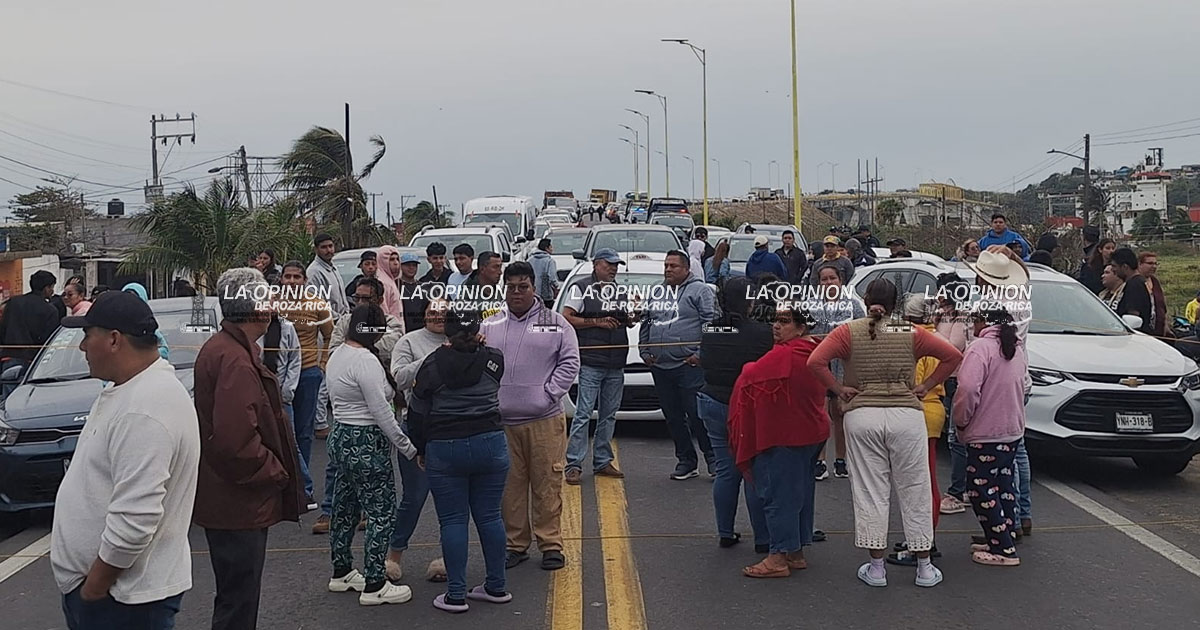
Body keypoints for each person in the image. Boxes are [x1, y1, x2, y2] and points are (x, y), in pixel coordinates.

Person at [51, 291, 199, 630]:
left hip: (123, 601)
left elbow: (136, 518)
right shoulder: (132, 389)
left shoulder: (145, 407)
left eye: (88, 335)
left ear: (114, 339)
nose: (82, 347)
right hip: (115, 598)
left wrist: (95, 586)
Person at [808, 278, 961, 588]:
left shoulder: (848, 331)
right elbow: (953, 356)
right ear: (896, 303)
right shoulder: (910, 331)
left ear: (865, 300)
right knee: (915, 487)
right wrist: (926, 385)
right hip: (907, 415)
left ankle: (876, 567)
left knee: (870, 490)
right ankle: (924, 566)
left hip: (862, 414)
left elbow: (815, 361)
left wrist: (838, 388)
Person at [193, 268, 303, 630]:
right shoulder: (234, 358)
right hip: (237, 502)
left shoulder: (230, 349)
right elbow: (235, 441)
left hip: (231, 500)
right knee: (238, 601)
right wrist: (275, 471)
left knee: (236, 597)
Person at [408, 309, 511, 613]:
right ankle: (496, 586)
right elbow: (490, 372)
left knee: (453, 520)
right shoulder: (494, 359)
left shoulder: (431, 365)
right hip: (490, 442)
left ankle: (455, 595)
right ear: (479, 330)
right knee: (490, 517)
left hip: (445, 446)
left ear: (446, 332)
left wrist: (421, 448)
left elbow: (417, 413)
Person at [482, 262, 580, 571]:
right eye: (510, 287)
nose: (516, 293)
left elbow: (570, 362)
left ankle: (550, 545)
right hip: (502, 424)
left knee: (546, 484)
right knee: (510, 489)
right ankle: (515, 545)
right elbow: (480, 364)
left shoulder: (555, 323)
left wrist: (548, 394)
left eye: (522, 287)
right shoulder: (490, 324)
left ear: (533, 288)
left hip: (544, 420)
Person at [325, 303, 416, 605]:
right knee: (381, 511)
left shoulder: (337, 354)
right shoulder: (366, 361)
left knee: (344, 507)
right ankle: (375, 582)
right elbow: (382, 412)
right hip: (365, 440)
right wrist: (408, 448)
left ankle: (341, 570)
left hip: (341, 434)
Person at [729, 305, 829, 578]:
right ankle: (795, 552)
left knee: (779, 496)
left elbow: (749, 374)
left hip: (786, 435)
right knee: (801, 494)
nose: (776, 326)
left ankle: (777, 558)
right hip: (812, 432)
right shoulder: (815, 351)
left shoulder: (785, 354)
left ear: (801, 327)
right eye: (775, 320)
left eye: (784, 322)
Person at [697, 276, 772, 551]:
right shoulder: (763, 333)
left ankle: (725, 532)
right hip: (748, 405)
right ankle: (763, 538)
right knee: (753, 470)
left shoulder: (711, 330)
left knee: (726, 470)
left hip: (713, 400)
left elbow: (705, 362)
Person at [964, 246, 1034, 537]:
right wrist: (1013, 258)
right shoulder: (1019, 298)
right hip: (1019, 378)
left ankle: (1006, 522)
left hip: (995, 381)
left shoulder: (992, 306)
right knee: (1016, 451)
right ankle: (1020, 515)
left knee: (998, 458)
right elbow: (1026, 279)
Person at [954, 308, 1027, 567]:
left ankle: (1003, 549)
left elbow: (967, 389)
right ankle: (1003, 535)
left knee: (980, 489)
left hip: (985, 431)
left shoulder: (980, 348)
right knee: (1003, 485)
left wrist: (961, 420)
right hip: (1011, 429)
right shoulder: (1015, 348)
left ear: (983, 322)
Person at [641, 250, 719, 479]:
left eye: (673, 266)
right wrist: (645, 350)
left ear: (686, 269)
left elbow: (712, 323)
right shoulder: (656, 291)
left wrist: (700, 354)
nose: (668, 269)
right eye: (666, 265)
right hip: (660, 366)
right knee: (673, 417)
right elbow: (646, 321)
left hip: (689, 366)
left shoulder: (700, 291)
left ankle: (713, 459)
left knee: (696, 415)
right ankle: (686, 461)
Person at [387, 299, 449, 583]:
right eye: (432, 312)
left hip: (450, 429)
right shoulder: (408, 341)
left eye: (443, 312)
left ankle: (447, 558)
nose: (437, 316)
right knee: (413, 498)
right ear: (423, 315)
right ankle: (393, 557)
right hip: (416, 427)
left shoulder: (459, 339)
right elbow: (399, 379)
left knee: (449, 500)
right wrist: (433, 358)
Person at [562, 249, 632, 485]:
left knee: (609, 415)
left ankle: (602, 460)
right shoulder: (580, 287)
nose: (613, 269)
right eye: (609, 264)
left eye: (616, 265)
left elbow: (622, 320)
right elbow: (567, 316)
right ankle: (573, 464)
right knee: (583, 414)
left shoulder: (620, 291)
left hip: (616, 361)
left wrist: (631, 317)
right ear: (596, 265)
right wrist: (597, 322)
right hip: (592, 361)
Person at [888, 294, 947, 567]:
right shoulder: (937, 338)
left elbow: (913, 383)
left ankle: (923, 541)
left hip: (919, 413)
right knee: (927, 480)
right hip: (934, 410)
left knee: (919, 484)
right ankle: (922, 536)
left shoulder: (916, 342)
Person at [278, 262, 335, 531]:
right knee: (285, 431)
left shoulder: (316, 304)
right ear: (281, 279)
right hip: (280, 374)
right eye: (287, 277)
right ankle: (296, 483)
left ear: (304, 280)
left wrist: (322, 366)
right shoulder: (274, 304)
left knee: (304, 431)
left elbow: (330, 336)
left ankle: (302, 483)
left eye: (296, 277)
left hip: (308, 371)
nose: (291, 281)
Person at [810, 265, 865, 481]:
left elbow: (863, 332)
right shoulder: (810, 305)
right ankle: (820, 460)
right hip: (820, 367)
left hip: (844, 367)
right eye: (824, 279)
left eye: (832, 278)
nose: (828, 283)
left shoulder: (854, 306)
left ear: (840, 281)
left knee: (840, 414)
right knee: (820, 415)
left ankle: (841, 460)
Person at [932, 274, 973, 518]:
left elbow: (953, 346)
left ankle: (958, 491)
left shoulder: (962, 316)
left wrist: (931, 332)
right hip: (945, 377)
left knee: (956, 437)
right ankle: (964, 487)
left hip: (957, 378)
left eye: (940, 291)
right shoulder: (942, 314)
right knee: (953, 437)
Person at [0, 270, 59, 386]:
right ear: (46, 288)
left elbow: (3, 328)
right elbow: (49, 340)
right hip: (33, 363)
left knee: (9, 395)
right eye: (52, 287)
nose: (52, 291)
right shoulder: (50, 310)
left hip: (9, 357)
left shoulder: (13, 303)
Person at [120, 283, 169, 360]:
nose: (131, 304)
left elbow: (164, 351)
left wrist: (142, 354)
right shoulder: (115, 325)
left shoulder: (149, 326)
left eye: (135, 300)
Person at [1111, 247, 1152, 334]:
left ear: (1125, 267)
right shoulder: (1138, 282)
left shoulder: (1134, 285)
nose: (1113, 270)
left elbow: (1133, 317)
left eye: (1114, 266)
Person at [308, 233, 350, 317]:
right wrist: (338, 318)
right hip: (329, 320)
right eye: (324, 247)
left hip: (343, 319)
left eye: (330, 246)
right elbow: (318, 304)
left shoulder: (333, 267)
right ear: (316, 249)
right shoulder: (314, 272)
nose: (329, 250)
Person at [373, 245, 407, 322]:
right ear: (382, 261)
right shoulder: (383, 283)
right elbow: (384, 313)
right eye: (391, 259)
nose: (396, 263)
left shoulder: (390, 281)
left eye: (397, 259)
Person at [1138, 251, 1168, 338]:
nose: (1154, 266)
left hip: (1159, 330)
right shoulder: (1136, 283)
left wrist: (1166, 325)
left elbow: (1162, 305)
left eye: (1155, 264)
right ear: (1140, 264)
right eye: (1150, 263)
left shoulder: (1155, 281)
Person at [398, 253, 426, 334]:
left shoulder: (423, 287)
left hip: (421, 331)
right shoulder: (396, 285)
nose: (411, 268)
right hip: (402, 330)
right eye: (408, 265)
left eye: (414, 265)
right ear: (401, 266)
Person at [529, 238, 560, 306]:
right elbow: (552, 278)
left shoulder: (530, 260)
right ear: (546, 248)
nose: (552, 249)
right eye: (551, 247)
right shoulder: (549, 261)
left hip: (532, 293)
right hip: (545, 296)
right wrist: (557, 287)